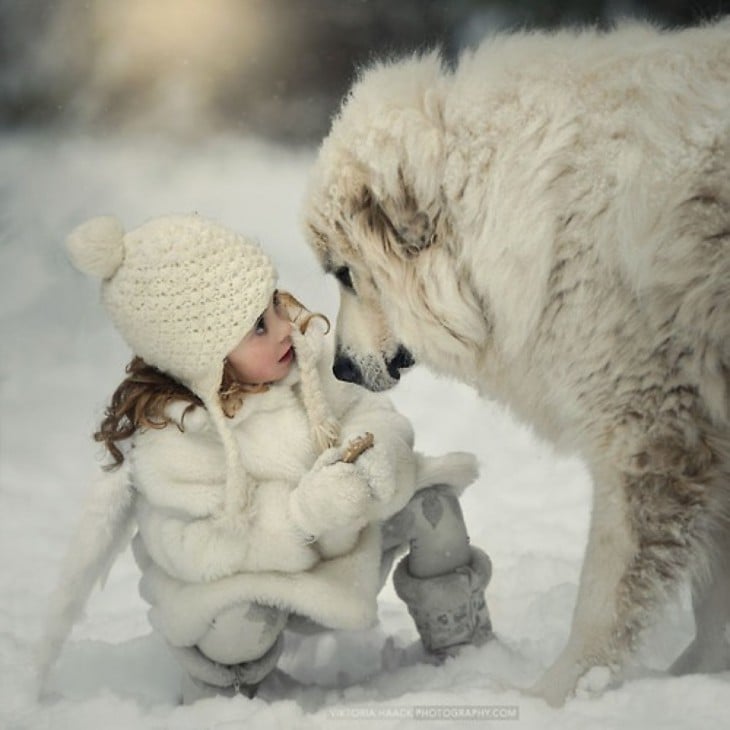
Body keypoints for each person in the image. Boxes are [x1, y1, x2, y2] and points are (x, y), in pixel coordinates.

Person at [36, 213, 493, 704]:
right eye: (257, 326)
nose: (283, 330)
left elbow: (372, 413)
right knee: (237, 629)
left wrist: (371, 464)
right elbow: (192, 548)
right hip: (251, 578)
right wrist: (302, 518)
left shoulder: (305, 358)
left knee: (434, 508)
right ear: (201, 356)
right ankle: (223, 700)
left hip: (344, 548)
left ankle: (463, 647)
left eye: (275, 304)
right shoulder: (178, 435)